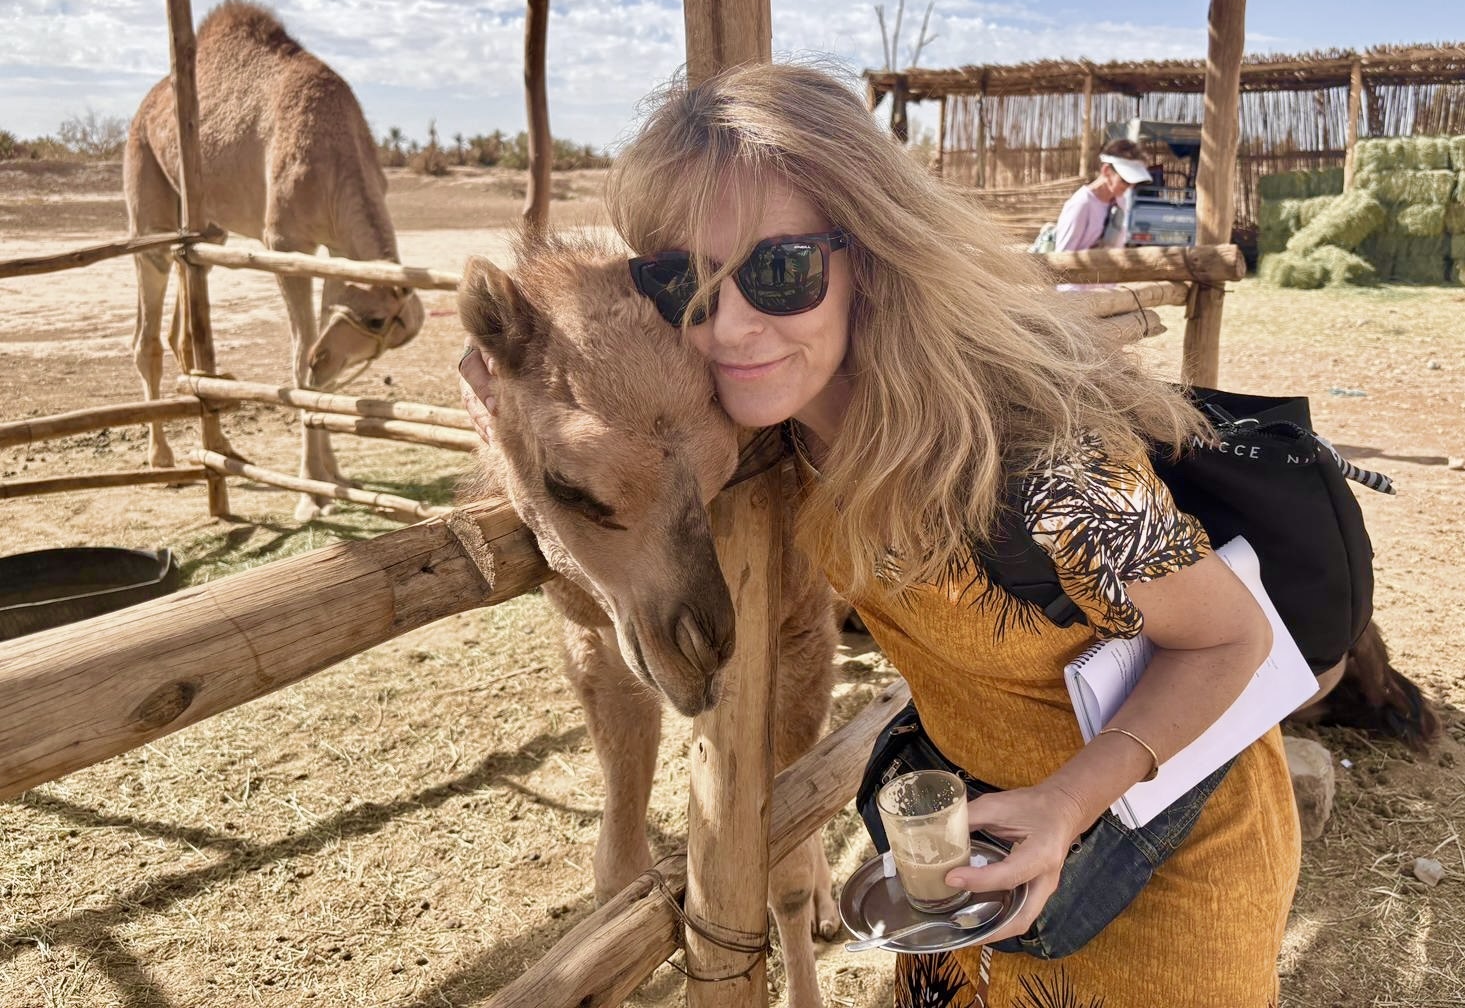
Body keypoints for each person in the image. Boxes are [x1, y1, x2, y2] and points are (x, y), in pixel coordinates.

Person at [461, 64, 1300, 1008]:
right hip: (969, 858)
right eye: (681, 283)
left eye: (781, 271)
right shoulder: (764, 426)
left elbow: (1231, 636)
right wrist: (501, 391)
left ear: (868, 255)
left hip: (1153, 855)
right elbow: (573, 408)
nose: (731, 326)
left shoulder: (1032, 459)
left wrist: (1066, 803)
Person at [1053, 138, 1152, 251]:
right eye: (1125, 180)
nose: (1130, 187)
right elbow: (1063, 256)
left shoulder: (1120, 202)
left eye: (1134, 183)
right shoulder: (1082, 204)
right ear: (1106, 171)